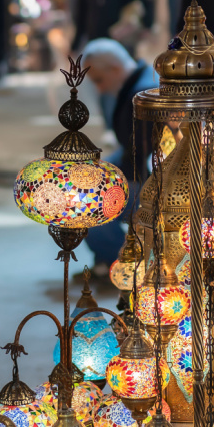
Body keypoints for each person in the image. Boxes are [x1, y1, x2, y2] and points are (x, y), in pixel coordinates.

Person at [80, 38, 158, 273]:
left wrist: (105, 184)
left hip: (150, 176)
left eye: (99, 81)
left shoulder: (141, 95)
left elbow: (143, 157)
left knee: (88, 205)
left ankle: (120, 265)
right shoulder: (141, 79)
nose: (99, 89)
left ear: (115, 68)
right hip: (135, 159)